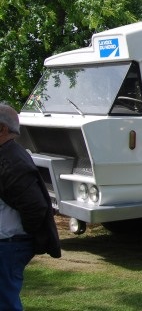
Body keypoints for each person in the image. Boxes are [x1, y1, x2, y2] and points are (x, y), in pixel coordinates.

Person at [0, 103, 61, 310]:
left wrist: (22, 238)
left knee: (5, 303)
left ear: (2, 129)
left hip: (10, 245)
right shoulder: (6, 155)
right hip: (8, 243)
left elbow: (35, 208)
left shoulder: (12, 159)